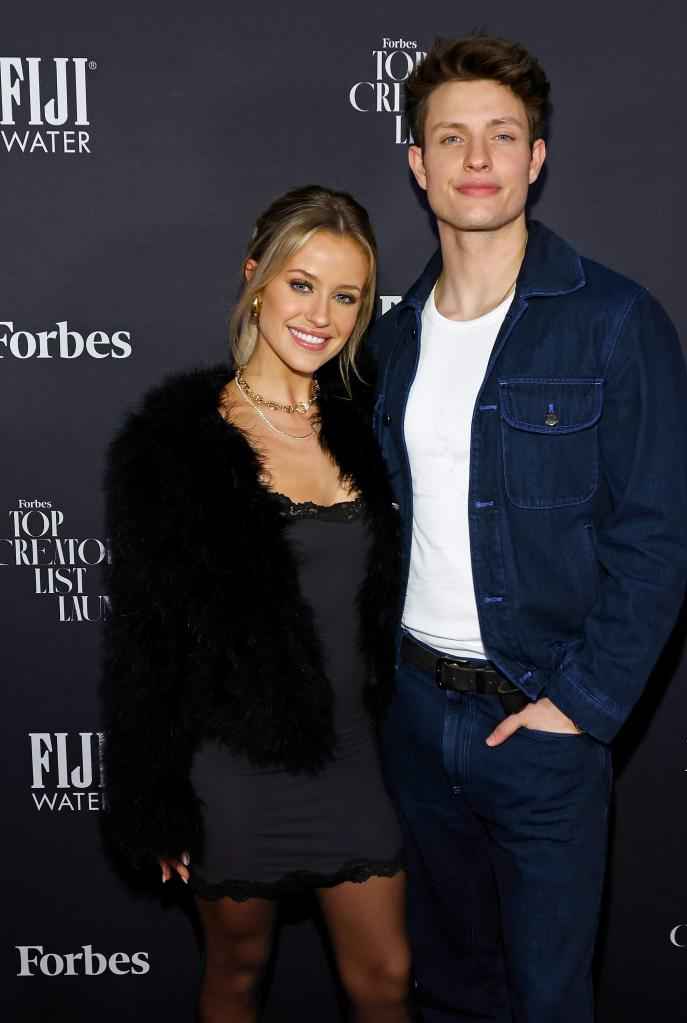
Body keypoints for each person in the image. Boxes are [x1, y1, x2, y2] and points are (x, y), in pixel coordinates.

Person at [367, 35, 687, 1022]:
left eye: (502, 135)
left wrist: (579, 707)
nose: (478, 159)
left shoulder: (614, 323)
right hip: (415, 720)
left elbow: (656, 536)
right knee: (452, 992)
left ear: (536, 156)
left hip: (542, 723)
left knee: (551, 1001)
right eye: (453, 138)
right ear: (418, 164)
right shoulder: (387, 340)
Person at [101, 185, 411, 1023]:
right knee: (237, 972)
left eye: (346, 295)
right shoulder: (178, 443)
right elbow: (146, 636)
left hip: (355, 756)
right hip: (231, 764)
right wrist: (153, 792)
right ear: (256, 279)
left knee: (385, 978)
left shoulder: (374, 423)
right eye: (301, 284)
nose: (322, 314)